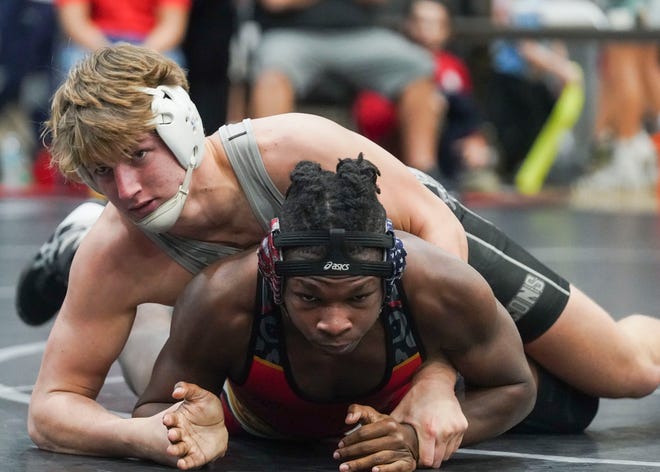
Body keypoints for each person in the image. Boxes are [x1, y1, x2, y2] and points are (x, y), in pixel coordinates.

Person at [21, 44, 660, 469]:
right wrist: (152, 436)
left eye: (139, 155)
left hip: (412, 259)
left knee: (626, 372)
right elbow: (51, 411)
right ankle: (80, 238)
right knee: (181, 331)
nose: (128, 190)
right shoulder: (119, 252)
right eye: (103, 174)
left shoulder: (287, 148)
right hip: (259, 316)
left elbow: (433, 226)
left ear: (181, 125)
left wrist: (441, 377)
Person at [131, 157, 547, 470]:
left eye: (359, 297)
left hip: (391, 408)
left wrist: (414, 438)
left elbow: (515, 386)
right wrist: (178, 429)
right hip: (252, 422)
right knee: (152, 338)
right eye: (309, 298)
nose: (334, 323)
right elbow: (151, 409)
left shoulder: (440, 284)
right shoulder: (223, 298)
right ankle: (85, 246)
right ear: (276, 279)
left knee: (573, 408)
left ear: (389, 280)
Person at [248, 0, 442, 176]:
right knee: (272, 69)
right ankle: (266, 172)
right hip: (292, 35)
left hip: (358, 35)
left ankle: (424, 172)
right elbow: (275, 3)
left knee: (417, 65)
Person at [352, 0, 498, 192]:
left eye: (435, 23)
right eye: (420, 21)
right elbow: (369, 118)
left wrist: (475, 141)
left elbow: (468, 117)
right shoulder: (387, 65)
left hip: (449, 158)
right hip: (393, 155)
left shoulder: (454, 67)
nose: (426, 30)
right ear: (407, 24)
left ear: (447, 30)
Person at [53, 0, 191, 83]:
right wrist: (110, 54)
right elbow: (75, 23)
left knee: (171, 73)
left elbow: (172, 27)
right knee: (74, 67)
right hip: (96, 42)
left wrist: (139, 55)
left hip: (150, 43)